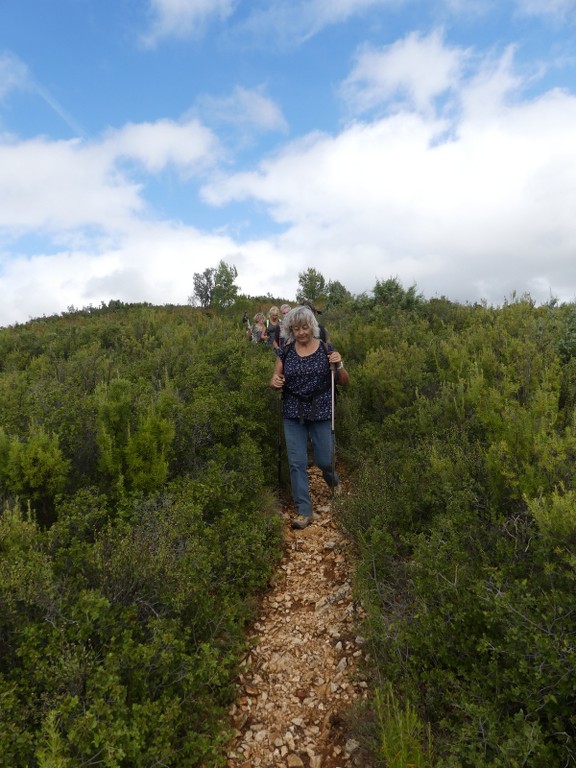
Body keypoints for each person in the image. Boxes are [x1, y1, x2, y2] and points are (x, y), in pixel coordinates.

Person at [269, 305, 349, 529]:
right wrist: (274, 383)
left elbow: (343, 381)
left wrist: (339, 364)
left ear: (312, 326)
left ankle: (334, 481)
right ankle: (304, 511)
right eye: (296, 329)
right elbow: (275, 378)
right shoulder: (285, 352)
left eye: (305, 327)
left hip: (322, 410)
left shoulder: (326, 349)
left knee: (325, 460)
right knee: (297, 463)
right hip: (293, 412)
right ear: (290, 330)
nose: (301, 332)